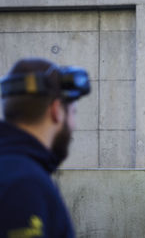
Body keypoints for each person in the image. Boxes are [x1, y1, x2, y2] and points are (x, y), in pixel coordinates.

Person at [0, 58, 90, 238]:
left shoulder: (14, 170)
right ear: (56, 111)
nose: (74, 124)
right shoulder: (24, 184)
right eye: (73, 113)